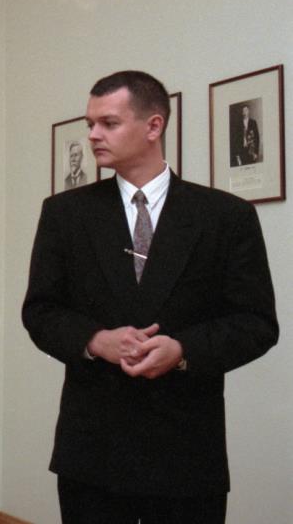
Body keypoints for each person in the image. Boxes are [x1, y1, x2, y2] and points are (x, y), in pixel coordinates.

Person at [22, 70, 278, 524]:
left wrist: (182, 350)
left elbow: (256, 323)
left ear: (153, 126)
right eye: (90, 123)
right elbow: (40, 311)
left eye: (109, 123)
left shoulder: (225, 216)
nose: (93, 135)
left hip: (186, 450)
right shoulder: (65, 214)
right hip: (93, 450)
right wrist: (96, 340)